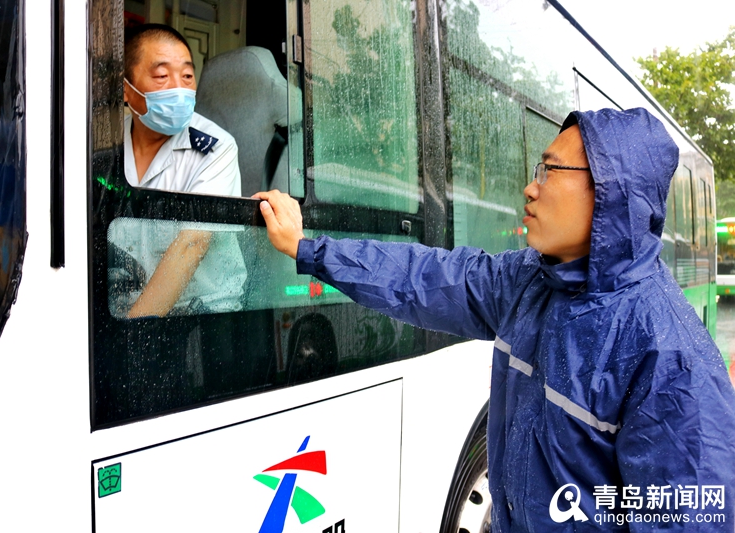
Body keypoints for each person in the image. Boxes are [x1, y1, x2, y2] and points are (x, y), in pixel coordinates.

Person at [254, 108, 735, 531]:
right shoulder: (530, 281)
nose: (530, 188)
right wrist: (307, 248)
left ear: (611, 191)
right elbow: (423, 276)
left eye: (549, 170)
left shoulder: (670, 356)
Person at [114, 24, 244, 318]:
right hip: (126, 309)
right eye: (162, 76)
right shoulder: (105, 144)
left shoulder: (216, 147)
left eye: (187, 76)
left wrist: (134, 330)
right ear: (126, 89)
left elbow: (191, 243)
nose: (179, 89)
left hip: (203, 315)